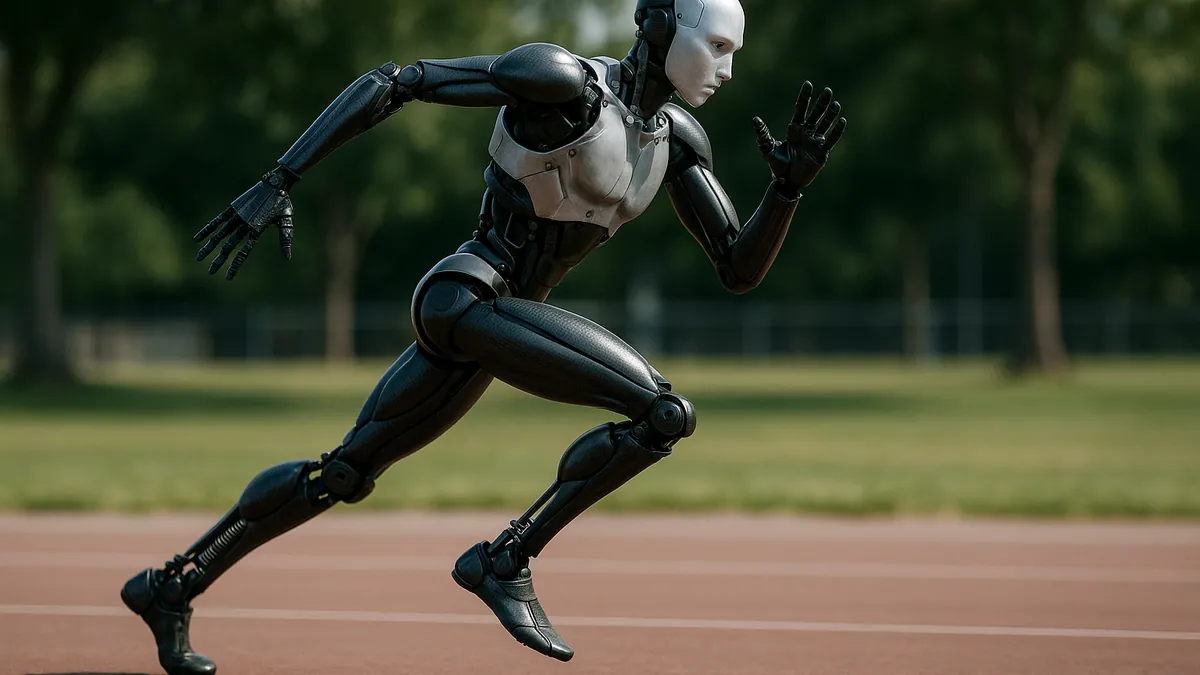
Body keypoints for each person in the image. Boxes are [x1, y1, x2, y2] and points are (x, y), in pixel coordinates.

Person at [120, 1, 846, 672]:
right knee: (663, 412)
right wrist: (279, 179)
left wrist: (786, 192)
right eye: (715, 45)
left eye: (733, 52)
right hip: (464, 296)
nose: (726, 68)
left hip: (499, 319)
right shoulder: (563, 83)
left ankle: (171, 584)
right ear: (658, 27)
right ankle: (505, 559)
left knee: (343, 472)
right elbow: (398, 81)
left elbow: (737, 269)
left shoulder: (679, 141)